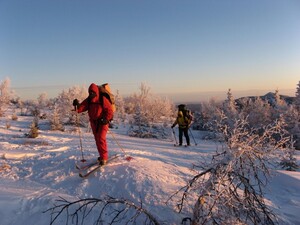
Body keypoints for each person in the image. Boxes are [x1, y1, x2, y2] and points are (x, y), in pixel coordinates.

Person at [73, 83, 114, 165]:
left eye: (93, 92)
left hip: (103, 122)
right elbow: (80, 109)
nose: (91, 94)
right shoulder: (89, 100)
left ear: (96, 91)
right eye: (90, 92)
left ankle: (104, 158)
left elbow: (109, 110)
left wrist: (106, 119)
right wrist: (76, 105)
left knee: (101, 138)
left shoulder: (102, 99)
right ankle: (102, 156)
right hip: (94, 123)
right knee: (97, 140)